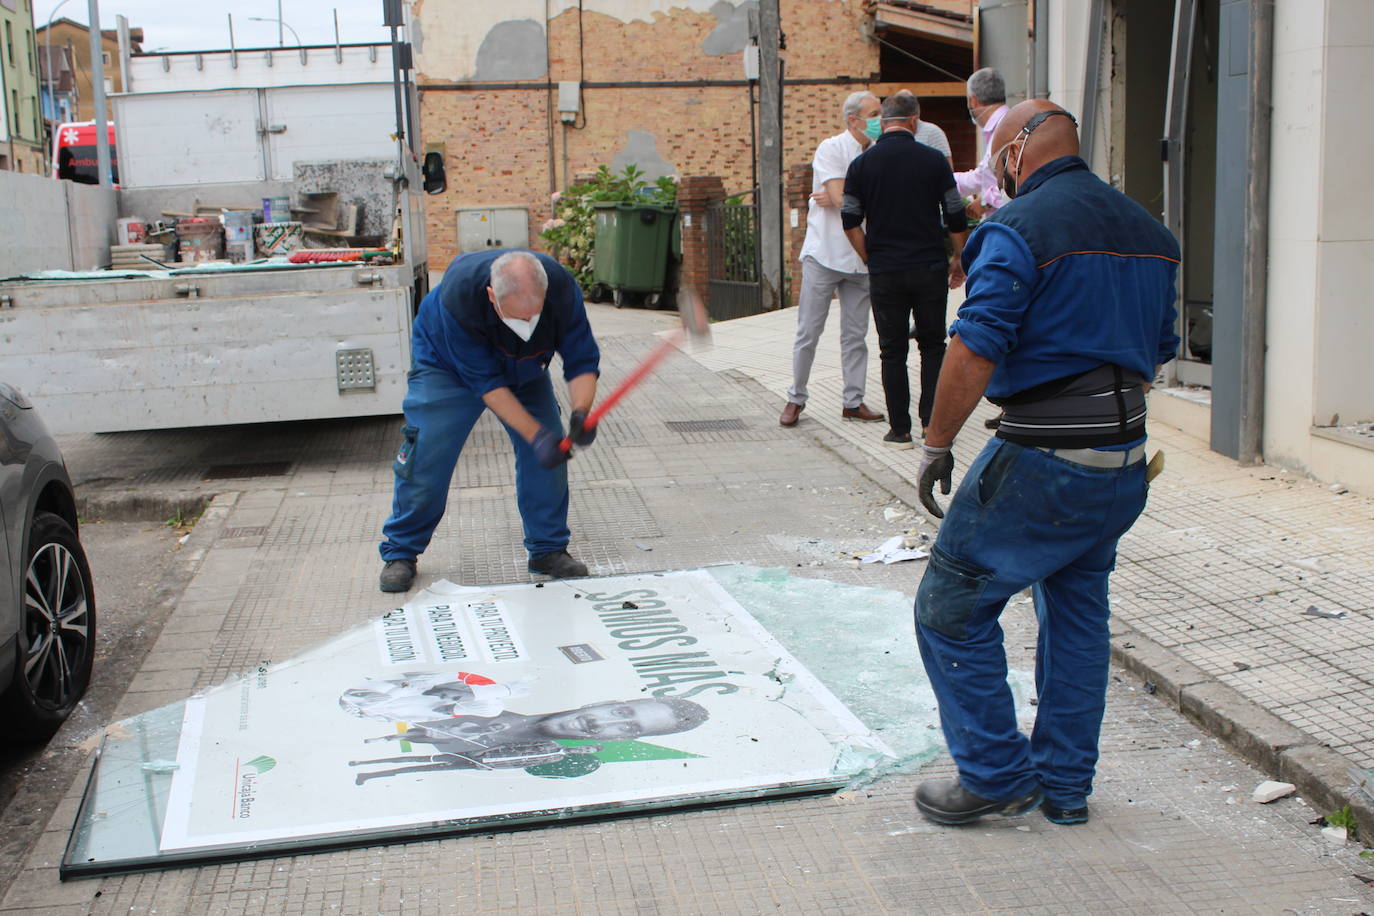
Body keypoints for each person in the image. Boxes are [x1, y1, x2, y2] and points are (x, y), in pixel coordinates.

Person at [911, 100, 1180, 828]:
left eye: (997, 153)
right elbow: (1161, 350)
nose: (997, 171)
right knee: (1077, 618)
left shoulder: (1017, 228)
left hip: (1043, 460)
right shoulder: (1153, 234)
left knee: (949, 609)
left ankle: (996, 772)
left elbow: (975, 343)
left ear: (1018, 151)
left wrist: (937, 442)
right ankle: (1065, 788)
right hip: (1122, 463)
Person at [377, 249, 600, 593]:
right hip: (447, 367)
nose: (526, 327)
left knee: (550, 456)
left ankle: (547, 550)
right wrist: (536, 436)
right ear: (492, 296)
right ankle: (401, 551)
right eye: (517, 318)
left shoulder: (562, 289)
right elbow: (487, 385)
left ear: (545, 293)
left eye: (534, 316)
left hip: (525, 367)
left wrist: (581, 411)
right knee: (427, 457)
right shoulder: (460, 296)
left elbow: (582, 357)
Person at [841, 91, 969, 449]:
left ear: (882, 123)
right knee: (932, 346)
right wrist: (958, 256)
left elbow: (849, 217)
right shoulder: (933, 161)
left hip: (886, 269)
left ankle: (900, 430)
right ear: (914, 121)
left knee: (891, 350)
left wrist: (870, 257)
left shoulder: (862, 165)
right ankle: (932, 425)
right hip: (928, 266)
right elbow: (954, 211)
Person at [780, 90, 886, 429]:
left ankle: (853, 401)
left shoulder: (880, 153)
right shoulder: (831, 148)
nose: (879, 120)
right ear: (853, 120)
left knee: (856, 335)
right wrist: (843, 196)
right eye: (873, 114)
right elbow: (842, 199)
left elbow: (846, 199)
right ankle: (795, 398)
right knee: (809, 331)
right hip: (824, 254)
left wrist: (844, 196)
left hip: (861, 258)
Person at [348, 696, 710, 783]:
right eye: (622, 713)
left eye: (629, 730)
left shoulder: (534, 756)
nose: (603, 724)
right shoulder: (479, 700)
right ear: (605, 702)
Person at [955, 67, 1012, 219]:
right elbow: (983, 176)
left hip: (1008, 221)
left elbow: (1014, 179)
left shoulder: (1005, 127)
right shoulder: (1005, 123)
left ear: (973, 100)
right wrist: (944, 179)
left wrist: (986, 202)